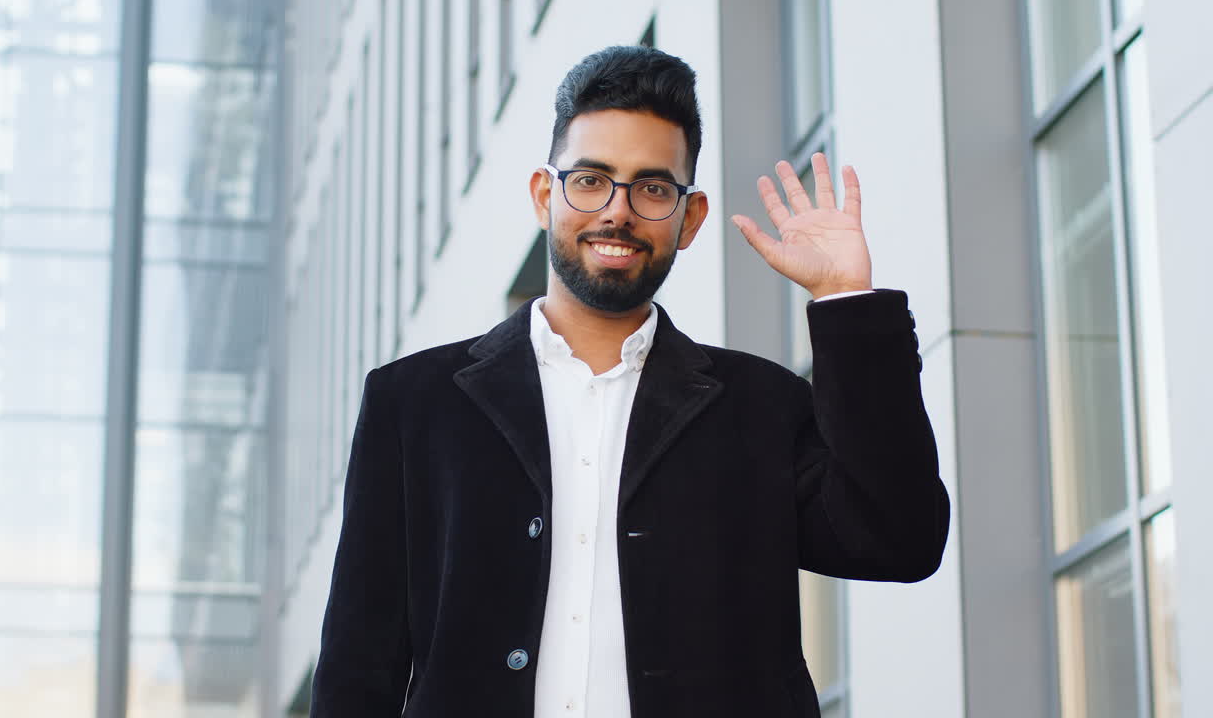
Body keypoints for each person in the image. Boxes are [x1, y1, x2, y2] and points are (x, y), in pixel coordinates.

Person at [310, 45, 949, 718]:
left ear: (690, 218)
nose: (617, 211)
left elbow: (897, 541)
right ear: (543, 195)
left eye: (652, 188)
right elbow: (361, 662)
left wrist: (847, 301)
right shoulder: (414, 403)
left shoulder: (761, 406)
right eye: (590, 180)